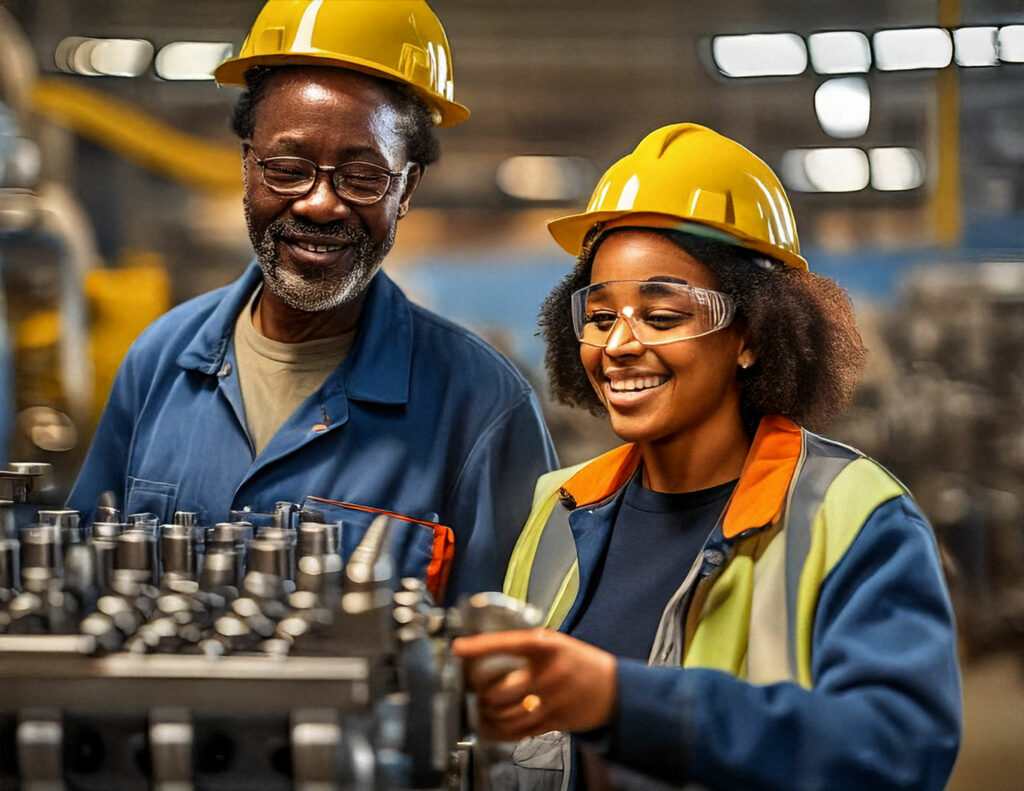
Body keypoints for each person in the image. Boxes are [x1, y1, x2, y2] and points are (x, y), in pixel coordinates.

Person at [454, 123, 962, 790]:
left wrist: (621, 702)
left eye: (662, 316)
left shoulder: (853, 517)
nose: (619, 344)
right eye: (601, 315)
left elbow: (898, 748)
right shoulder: (560, 508)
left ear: (750, 335)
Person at [66, 0, 557, 603]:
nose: (321, 204)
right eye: (288, 167)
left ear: (406, 190)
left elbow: (513, 658)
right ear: (247, 165)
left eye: (363, 176)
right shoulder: (160, 362)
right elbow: (84, 584)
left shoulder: (482, 407)